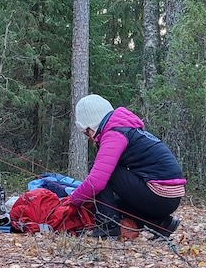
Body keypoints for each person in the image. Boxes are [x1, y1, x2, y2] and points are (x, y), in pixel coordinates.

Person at [68, 94, 185, 238]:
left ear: (93, 124)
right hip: (169, 196)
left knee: (102, 173)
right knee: (114, 203)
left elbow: (96, 181)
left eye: (87, 131)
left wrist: (73, 200)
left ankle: (108, 227)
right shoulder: (125, 129)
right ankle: (160, 223)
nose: (88, 137)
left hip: (160, 194)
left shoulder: (114, 134)